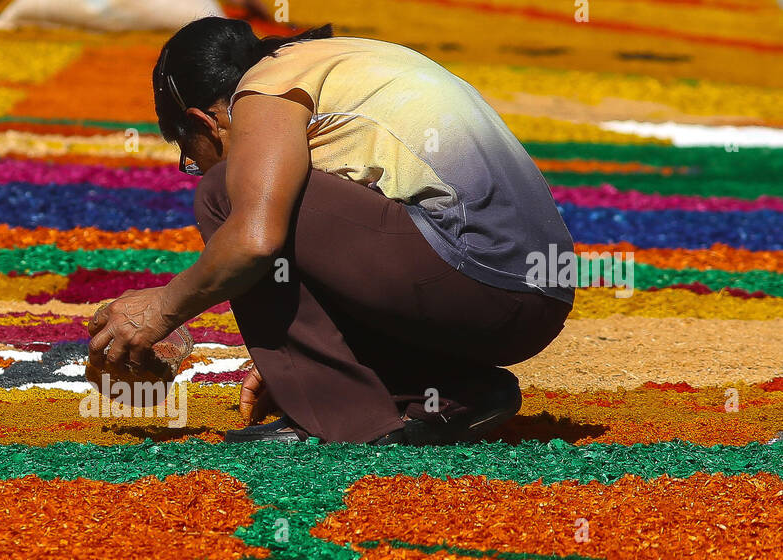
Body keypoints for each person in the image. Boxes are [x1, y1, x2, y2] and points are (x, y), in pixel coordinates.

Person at [86, 17, 575, 444]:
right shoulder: (334, 62)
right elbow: (359, 244)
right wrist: (301, 358)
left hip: (476, 279)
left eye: (189, 155)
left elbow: (255, 241)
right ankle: (455, 393)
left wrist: (159, 310)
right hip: (536, 297)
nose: (194, 164)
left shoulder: (263, 90)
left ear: (206, 122)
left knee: (226, 195)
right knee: (274, 199)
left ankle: (344, 420)